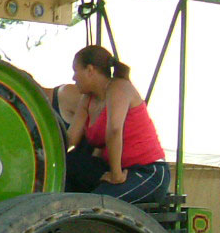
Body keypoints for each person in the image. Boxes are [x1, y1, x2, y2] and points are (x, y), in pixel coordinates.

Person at [64, 45, 169, 202]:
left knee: (97, 204)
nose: (73, 78)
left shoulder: (119, 87)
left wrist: (116, 174)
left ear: (90, 70)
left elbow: (114, 130)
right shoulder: (87, 99)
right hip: (116, 169)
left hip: (147, 171)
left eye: (75, 70)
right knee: (69, 164)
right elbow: (70, 139)